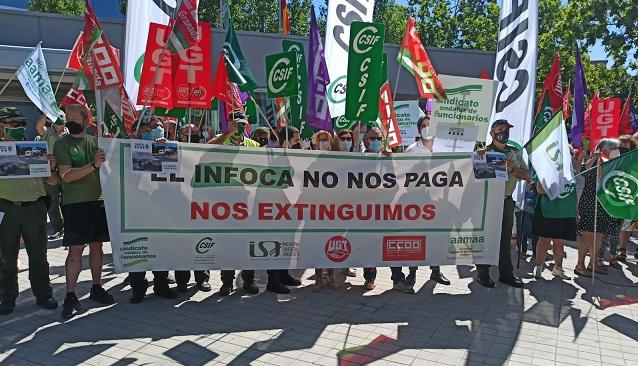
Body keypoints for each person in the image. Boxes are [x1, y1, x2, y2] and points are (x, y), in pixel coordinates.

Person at [53, 104, 114, 318]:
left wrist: (111, 142)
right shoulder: (62, 143)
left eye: (73, 118)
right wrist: (93, 166)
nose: (69, 121)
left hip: (98, 201)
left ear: (86, 120)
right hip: (74, 203)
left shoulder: (96, 142)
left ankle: (96, 287)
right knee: (75, 250)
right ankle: (70, 294)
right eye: (67, 117)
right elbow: (66, 176)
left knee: (97, 247)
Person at [0, 107, 58, 314]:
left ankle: (43, 294)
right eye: (13, 124)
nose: (18, 127)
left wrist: (52, 167)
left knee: (39, 255)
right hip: (6, 208)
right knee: (6, 256)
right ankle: (7, 297)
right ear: (2, 126)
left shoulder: (35, 148)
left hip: (34, 208)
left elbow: (52, 180)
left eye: (21, 124)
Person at [127, 115, 178, 303]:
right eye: (149, 129)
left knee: (160, 245)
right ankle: (138, 288)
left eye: (158, 128)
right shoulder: (126, 148)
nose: (155, 132)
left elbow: (174, 172)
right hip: (135, 204)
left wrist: (165, 148)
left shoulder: (166, 147)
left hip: (159, 204)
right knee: (137, 246)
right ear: (138, 131)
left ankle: (161, 284)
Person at [396, 115, 451, 291]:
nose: (428, 128)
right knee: (416, 236)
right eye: (424, 126)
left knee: (436, 236)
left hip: (439, 200)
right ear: (419, 130)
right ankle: (412, 272)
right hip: (417, 200)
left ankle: (436, 270)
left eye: (430, 125)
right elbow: (405, 176)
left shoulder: (444, 148)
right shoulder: (412, 150)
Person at [208, 111, 260, 296]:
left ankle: (249, 280)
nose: (239, 127)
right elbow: (204, 151)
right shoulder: (221, 140)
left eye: (242, 124)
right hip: (225, 201)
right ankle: (226, 282)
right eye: (235, 123)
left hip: (247, 201)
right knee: (227, 242)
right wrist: (226, 134)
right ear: (229, 123)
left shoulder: (253, 144)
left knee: (248, 242)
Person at [475, 120, 528, 288]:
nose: (504, 133)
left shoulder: (515, 153)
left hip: (506, 201)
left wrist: (512, 169)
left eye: (506, 130)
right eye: (500, 130)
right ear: (492, 133)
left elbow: (527, 175)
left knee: (505, 240)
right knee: (486, 238)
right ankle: (483, 273)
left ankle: (506, 273)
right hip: (487, 202)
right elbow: (477, 177)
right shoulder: (483, 153)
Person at [574, 138, 624, 277]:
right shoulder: (595, 160)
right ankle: (579, 264)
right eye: (615, 149)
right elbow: (583, 171)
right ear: (606, 150)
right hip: (590, 202)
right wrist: (595, 157)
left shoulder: (614, 163)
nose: (617, 152)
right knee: (588, 235)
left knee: (600, 236)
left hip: (604, 203)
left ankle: (592, 263)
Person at [174, 123, 212, 292]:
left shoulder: (203, 150)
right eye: (191, 132)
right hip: (180, 204)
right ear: (182, 135)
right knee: (181, 245)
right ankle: (182, 281)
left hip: (200, 206)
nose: (196, 134)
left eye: (197, 132)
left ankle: (202, 278)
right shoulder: (173, 149)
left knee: (201, 243)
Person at [311, 130, 339, 291]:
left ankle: (331, 275)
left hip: (335, 211)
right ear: (316, 143)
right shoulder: (311, 162)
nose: (324, 143)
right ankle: (318, 278)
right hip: (317, 211)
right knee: (318, 244)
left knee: (332, 243)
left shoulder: (338, 160)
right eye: (321, 140)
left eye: (326, 140)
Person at [35, 113, 67, 241]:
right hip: (51, 173)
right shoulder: (47, 133)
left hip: (66, 173)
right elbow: (39, 126)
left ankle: (70, 229)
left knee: (68, 202)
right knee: (53, 204)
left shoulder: (69, 134)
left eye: (62, 118)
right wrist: (46, 112)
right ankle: (59, 229)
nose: (59, 121)